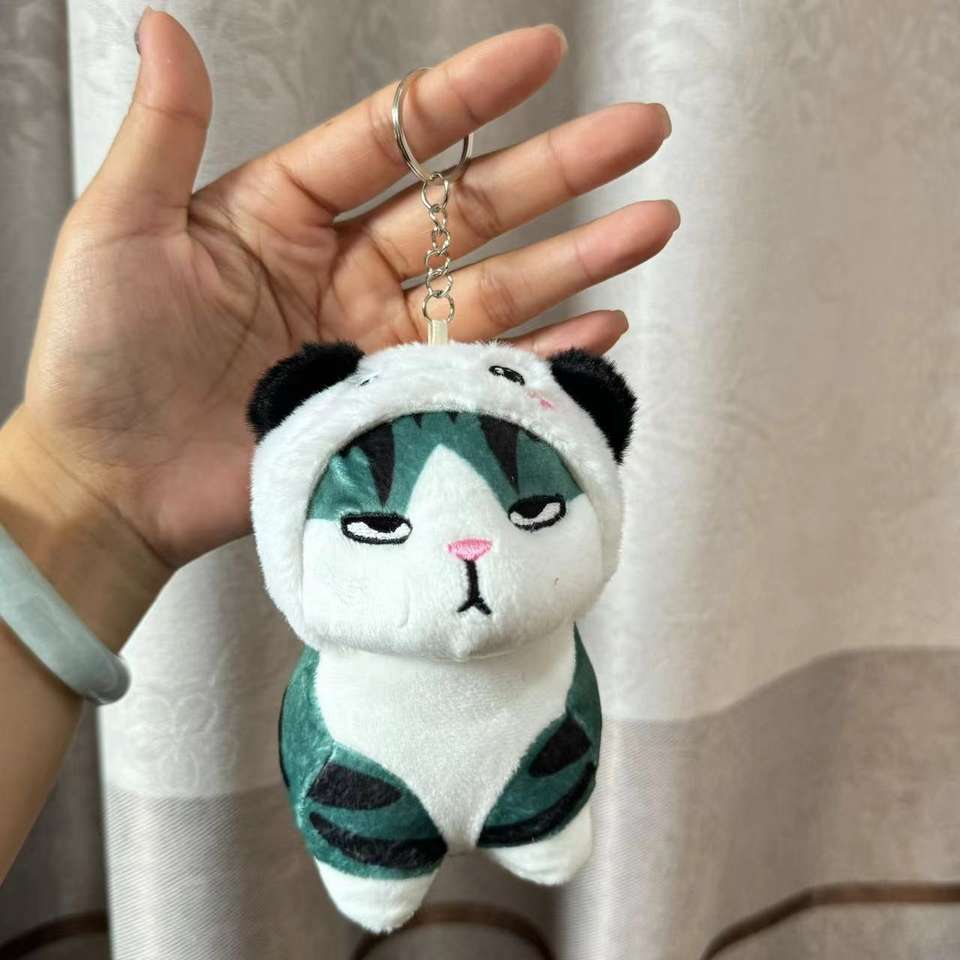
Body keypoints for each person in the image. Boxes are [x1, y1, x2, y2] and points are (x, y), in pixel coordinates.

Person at [0, 9, 677, 880]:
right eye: (380, 525)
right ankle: (376, 849)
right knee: (356, 799)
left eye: (537, 511)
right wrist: (79, 484)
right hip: (361, 764)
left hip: (545, 738)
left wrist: (79, 494)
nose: (469, 550)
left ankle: (536, 819)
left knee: (551, 772)